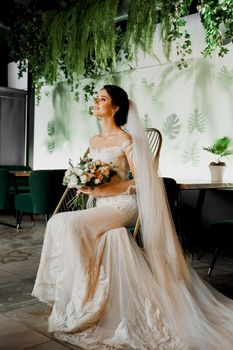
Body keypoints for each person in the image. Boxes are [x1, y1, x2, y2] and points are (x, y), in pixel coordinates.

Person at [32, 85, 233, 350]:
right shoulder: (94, 141)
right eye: (96, 98)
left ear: (115, 108)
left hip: (124, 205)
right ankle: (79, 296)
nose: (96, 102)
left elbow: (142, 181)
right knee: (61, 223)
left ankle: (83, 299)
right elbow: (88, 173)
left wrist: (106, 187)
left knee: (62, 222)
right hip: (99, 205)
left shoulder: (127, 140)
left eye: (102, 99)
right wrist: (84, 183)